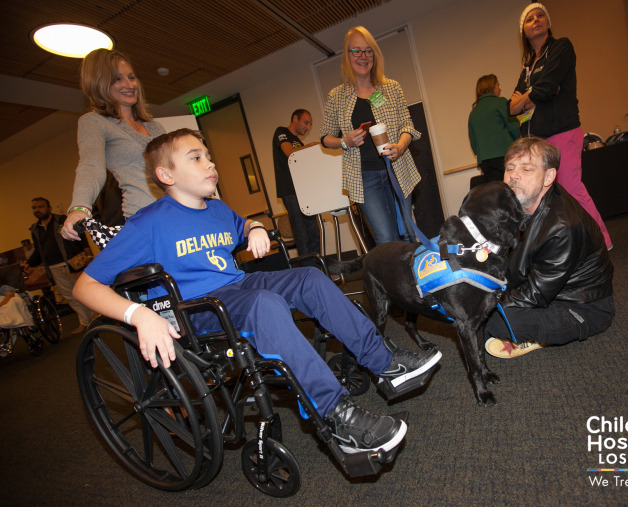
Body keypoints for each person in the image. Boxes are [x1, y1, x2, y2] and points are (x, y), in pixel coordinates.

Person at [72, 129, 442, 455]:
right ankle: (334, 414)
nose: (210, 163)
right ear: (166, 175)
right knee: (264, 304)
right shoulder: (147, 224)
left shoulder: (216, 209)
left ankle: (383, 363)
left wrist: (254, 229)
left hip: (238, 285)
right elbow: (85, 285)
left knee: (309, 277)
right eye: (196, 157)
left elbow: (243, 223)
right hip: (199, 309)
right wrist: (139, 316)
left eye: (209, 156)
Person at [484, 138, 614, 358]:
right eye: (510, 168)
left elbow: (535, 295)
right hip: (544, 287)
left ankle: (534, 338)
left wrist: (485, 302)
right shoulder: (517, 201)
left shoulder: (563, 227)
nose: (514, 175)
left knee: (492, 319)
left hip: (580, 306)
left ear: (549, 177)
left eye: (526, 169)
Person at [508, 3, 612, 249]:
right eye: (530, 18)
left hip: (562, 131)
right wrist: (529, 98)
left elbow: (545, 90)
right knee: (544, 197)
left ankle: (601, 242)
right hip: (537, 141)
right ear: (523, 30)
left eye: (540, 15)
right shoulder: (528, 67)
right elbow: (510, 108)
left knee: (571, 189)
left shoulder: (561, 47)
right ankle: (565, 246)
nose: (536, 20)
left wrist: (528, 97)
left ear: (548, 22)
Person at [320, 26, 420, 245]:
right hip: (365, 178)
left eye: (368, 51)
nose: (363, 57)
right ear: (347, 56)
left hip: (398, 170)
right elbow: (325, 137)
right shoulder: (336, 96)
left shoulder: (391, 88)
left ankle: (412, 278)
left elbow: (407, 125)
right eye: (356, 51)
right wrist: (344, 142)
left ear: (375, 55)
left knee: (408, 234)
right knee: (386, 239)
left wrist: (401, 147)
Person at [60, 48, 166, 241]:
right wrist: (80, 207)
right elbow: (91, 166)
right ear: (99, 83)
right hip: (146, 218)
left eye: (132, 77)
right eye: (118, 79)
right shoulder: (94, 122)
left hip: (180, 210)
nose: (129, 84)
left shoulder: (155, 127)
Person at [23, 198, 94, 334]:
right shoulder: (35, 230)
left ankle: (99, 316)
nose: (37, 210)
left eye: (40, 207)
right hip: (54, 267)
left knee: (86, 290)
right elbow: (38, 251)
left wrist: (89, 255)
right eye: (34, 208)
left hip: (73, 262)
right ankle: (85, 322)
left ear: (49, 208)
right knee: (70, 296)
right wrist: (28, 264)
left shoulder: (61, 220)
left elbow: (80, 237)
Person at [272, 109, 321, 255]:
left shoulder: (299, 142)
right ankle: (308, 272)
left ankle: (318, 269)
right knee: (302, 234)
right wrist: (312, 146)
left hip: (304, 192)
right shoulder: (281, 132)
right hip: (290, 191)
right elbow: (289, 153)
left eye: (310, 125)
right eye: (306, 122)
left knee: (314, 233)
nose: (308, 127)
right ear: (295, 118)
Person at [468, 74, 521, 184]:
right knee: (513, 189)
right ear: (491, 86)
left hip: (486, 161)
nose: (500, 88)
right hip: (505, 156)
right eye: (498, 85)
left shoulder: (473, 113)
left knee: (497, 192)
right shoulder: (501, 103)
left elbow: (474, 143)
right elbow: (514, 127)